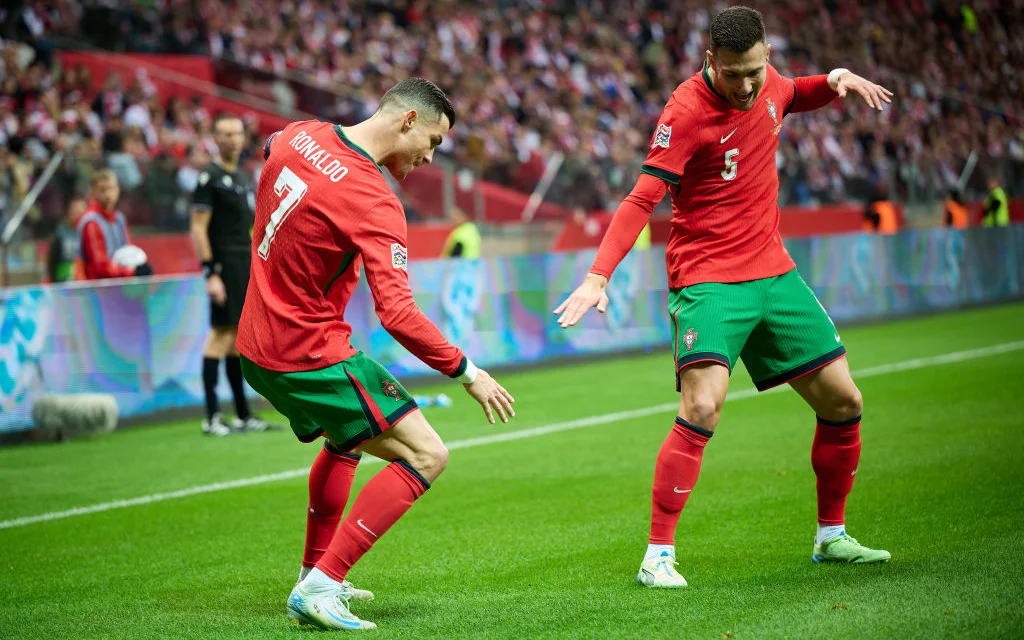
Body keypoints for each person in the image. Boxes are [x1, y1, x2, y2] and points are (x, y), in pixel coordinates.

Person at [554, 6, 893, 589]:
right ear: (711, 60)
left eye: (754, 72)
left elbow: (794, 93)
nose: (745, 86)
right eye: (732, 74)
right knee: (703, 407)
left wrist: (834, 80)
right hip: (708, 278)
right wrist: (598, 275)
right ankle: (657, 556)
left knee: (844, 401)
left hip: (775, 274)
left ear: (767, 57)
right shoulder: (685, 111)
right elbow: (641, 199)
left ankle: (831, 536)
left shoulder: (769, 82)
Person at [237, 78, 515, 631]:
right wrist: (468, 371)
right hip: (305, 351)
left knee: (347, 441)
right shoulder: (374, 200)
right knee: (427, 454)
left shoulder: (298, 135)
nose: (429, 157)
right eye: (432, 141)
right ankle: (321, 587)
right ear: (408, 120)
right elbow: (398, 314)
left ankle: (312, 572)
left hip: (256, 345)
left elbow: (269, 149)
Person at [191, 113, 278, 436]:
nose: (232, 139)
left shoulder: (242, 176)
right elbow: (198, 228)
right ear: (215, 139)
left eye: (237, 133)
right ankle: (212, 417)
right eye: (225, 134)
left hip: (244, 262)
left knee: (237, 340)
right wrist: (210, 273)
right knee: (220, 334)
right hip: (223, 263)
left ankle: (242, 415)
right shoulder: (209, 178)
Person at [78, 169, 152, 280]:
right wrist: (131, 272)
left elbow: (128, 250)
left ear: (118, 189)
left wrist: (137, 266)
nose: (108, 195)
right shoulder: (91, 222)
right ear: (93, 192)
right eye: (103, 190)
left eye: (111, 189)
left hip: (119, 283)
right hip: (98, 287)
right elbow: (99, 267)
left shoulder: (119, 218)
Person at [46, 196, 86, 283]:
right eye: (74, 211)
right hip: (62, 281)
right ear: (68, 212)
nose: (77, 215)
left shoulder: (88, 232)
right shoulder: (60, 233)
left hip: (83, 282)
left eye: (80, 212)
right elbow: (51, 260)